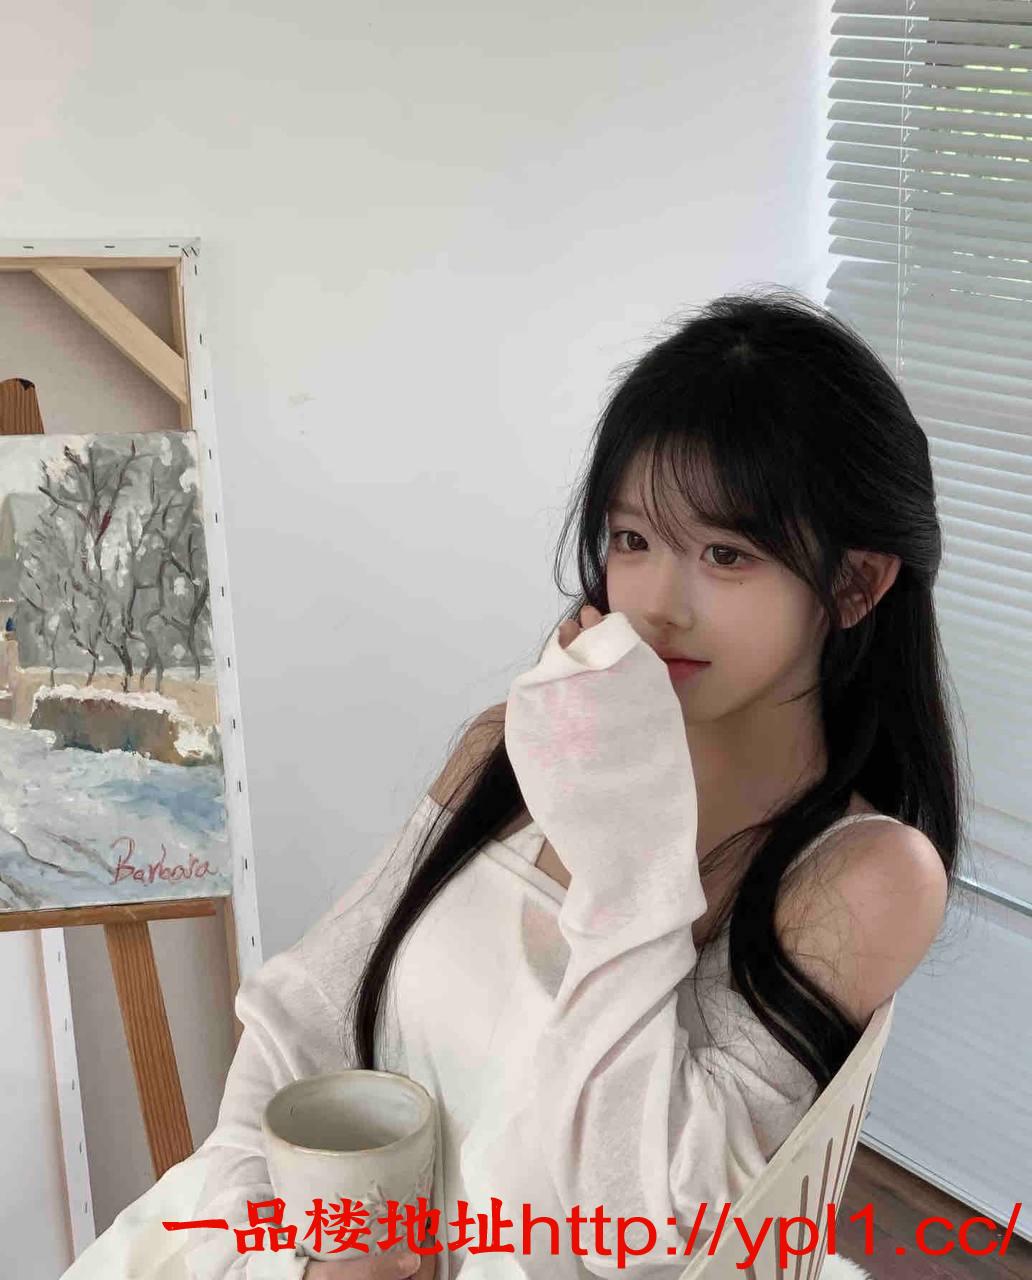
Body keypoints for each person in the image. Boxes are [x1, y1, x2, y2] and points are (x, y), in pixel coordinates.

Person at [60, 286, 962, 1280]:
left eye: (726, 554)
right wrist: (293, 1260)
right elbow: (302, 1025)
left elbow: (636, 1221)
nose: (660, 604)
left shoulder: (866, 876)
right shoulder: (508, 751)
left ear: (855, 583)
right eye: (633, 540)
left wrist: (619, 831)